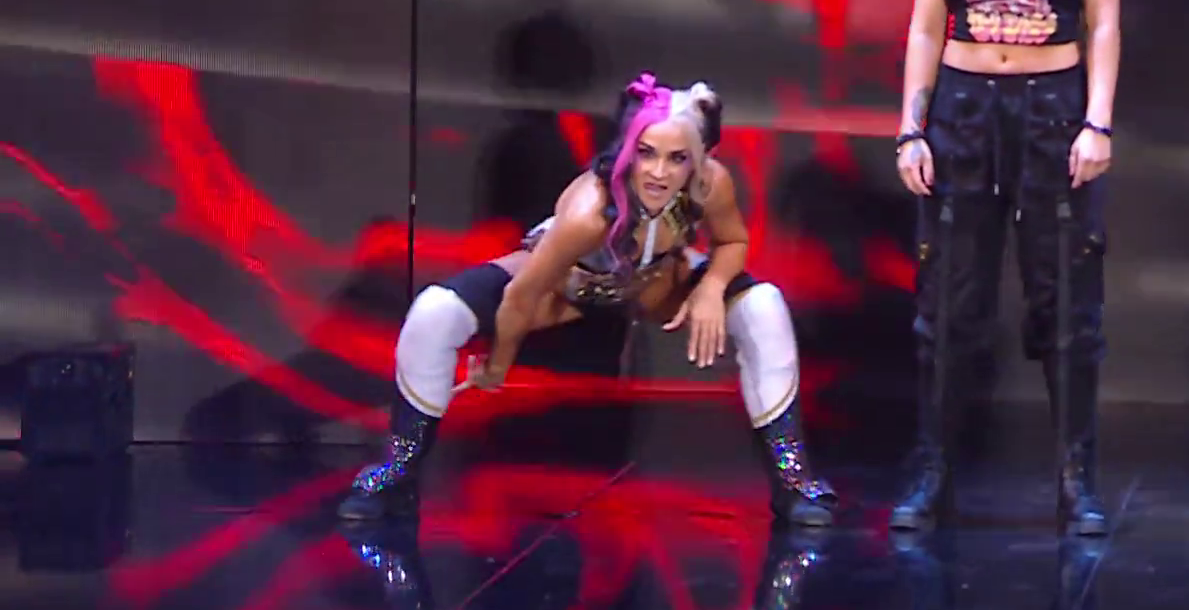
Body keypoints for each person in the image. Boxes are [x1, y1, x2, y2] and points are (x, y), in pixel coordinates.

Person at [338, 73, 838, 526]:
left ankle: (793, 484)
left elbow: (732, 242)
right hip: (569, 288)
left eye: (677, 158)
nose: (659, 172)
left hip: (655, 283)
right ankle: (398, 471)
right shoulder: (589, 212)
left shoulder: (709, 185)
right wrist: (497, 366)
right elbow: (521, 296)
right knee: (435, 314)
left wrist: (710, 288)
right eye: (646, 153)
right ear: (627, 151)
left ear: (698, 158)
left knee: (763, 307)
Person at [891, 0, 1120, 537]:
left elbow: (1105, 22)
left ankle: (1076, 478)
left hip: (1052, 109)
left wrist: (1097, 121)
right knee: (948, 301)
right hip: (963, 111)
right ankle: (933, 470)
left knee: (1066, 302)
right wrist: (912, 128)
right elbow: (926, 26)